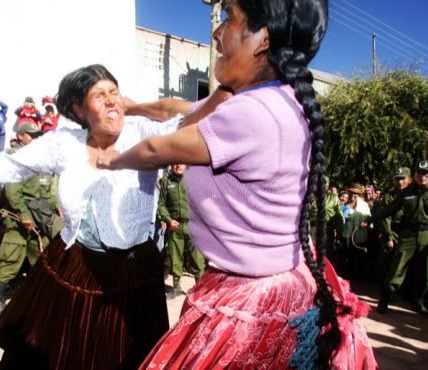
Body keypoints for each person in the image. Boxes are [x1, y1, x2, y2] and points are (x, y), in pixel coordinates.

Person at [0, 64, 231, 369]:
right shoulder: (64, 143)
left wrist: (137, 107)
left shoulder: (146, 132)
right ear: (79, 108)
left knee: (125, 354)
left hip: (134, 271)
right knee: (61, 353)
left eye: (114, 91)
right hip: (74, 266)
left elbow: (200, 110)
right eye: (99, 95)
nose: (111, 100)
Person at [97, 1, 376, 368]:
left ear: (262, 39)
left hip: (248, 299)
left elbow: (154, 150)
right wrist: (133, 108)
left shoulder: (248, 114)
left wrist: (108, 159)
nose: (217, 30)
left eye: (229, 17)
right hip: (286, 281)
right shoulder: (284, 101)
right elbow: (178, 109)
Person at [0, 122, 56, 314]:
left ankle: (36, 298)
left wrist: (52, 212)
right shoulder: (16, 158)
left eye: (38, 135)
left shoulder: (42, 161)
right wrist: (24, 214)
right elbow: (13, 191)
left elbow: (48, 191)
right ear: (21, 136)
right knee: (11, 256)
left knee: (42, 258)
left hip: (39, 217)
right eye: (32, 135)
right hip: (18, 218)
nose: (36, 138)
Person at [375, 160, 428, 314]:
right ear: (415, 175)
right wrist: (372, 219)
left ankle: (419, 301)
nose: (422, 176)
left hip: (426, 235)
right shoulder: (407, 192)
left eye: (425, 173)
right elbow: (390, 209)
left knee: (426, 272)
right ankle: (384, 300)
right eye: (419, 172)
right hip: (409, 235)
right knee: (397, 268)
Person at [158, 163, 205, 298]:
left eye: (180, 162)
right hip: (175, 226)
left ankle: (200, 291)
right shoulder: (167, 183)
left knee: (197, 259)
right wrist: (168, 219)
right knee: (175, 258)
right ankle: (176, 288)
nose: (177, 165)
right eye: (174, 163)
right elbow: (161, 204)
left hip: (193, 226)